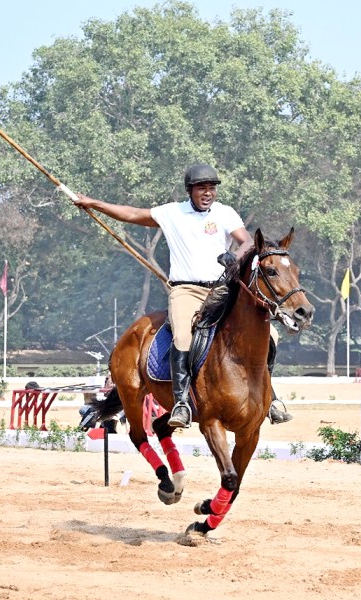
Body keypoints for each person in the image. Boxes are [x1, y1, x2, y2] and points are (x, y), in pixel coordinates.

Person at [73, 163, 291, 429]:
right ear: (190, 191)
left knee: (271, 334)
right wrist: (93, 204)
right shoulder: (172, 213)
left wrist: (234, 256)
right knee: (183, 336)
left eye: (211, 188)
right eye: (202, 188)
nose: (208, 193)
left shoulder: (225, 213)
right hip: (186, 290)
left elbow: (246, 241)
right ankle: (181, 403)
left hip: (221, 288)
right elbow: (131, 214)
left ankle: (269, 399)